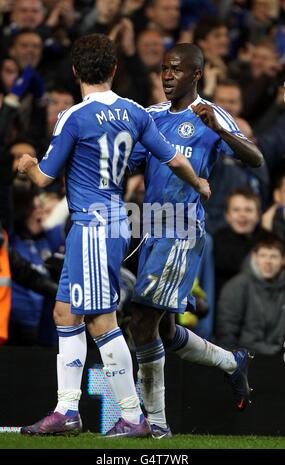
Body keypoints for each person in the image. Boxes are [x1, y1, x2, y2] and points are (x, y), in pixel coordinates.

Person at [17, 33, 210, 437]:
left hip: (92, 226)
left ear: (75, 72)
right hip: (112, 222)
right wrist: (201, 184)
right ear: (114, 70)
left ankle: (132, 416)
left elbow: (43, 178)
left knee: (101, 321)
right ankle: (66, 410)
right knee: (65, 313)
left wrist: (26, 162)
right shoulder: (136, 113)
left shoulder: (74, 116)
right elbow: (174, 158)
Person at [128, 43, 264, 438]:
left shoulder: (210, 114)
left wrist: (219, 130)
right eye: (164, 69)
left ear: (196, 74)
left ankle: (155, 426)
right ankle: (231, 362)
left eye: (176, 69)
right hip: (150, 227)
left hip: (183, 229)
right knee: (165, 331)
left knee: (142, 319)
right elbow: (134, 161)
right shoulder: (150, 116)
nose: (168, 76)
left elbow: (255, 158)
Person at [216, 234, 285, 355]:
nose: (268, 261)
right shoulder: (236, 286)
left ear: (283, 260)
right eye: (263, 255)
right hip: (246, 360)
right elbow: (226, 333)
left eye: (274, 256)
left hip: (280, 360)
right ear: (254, 257)